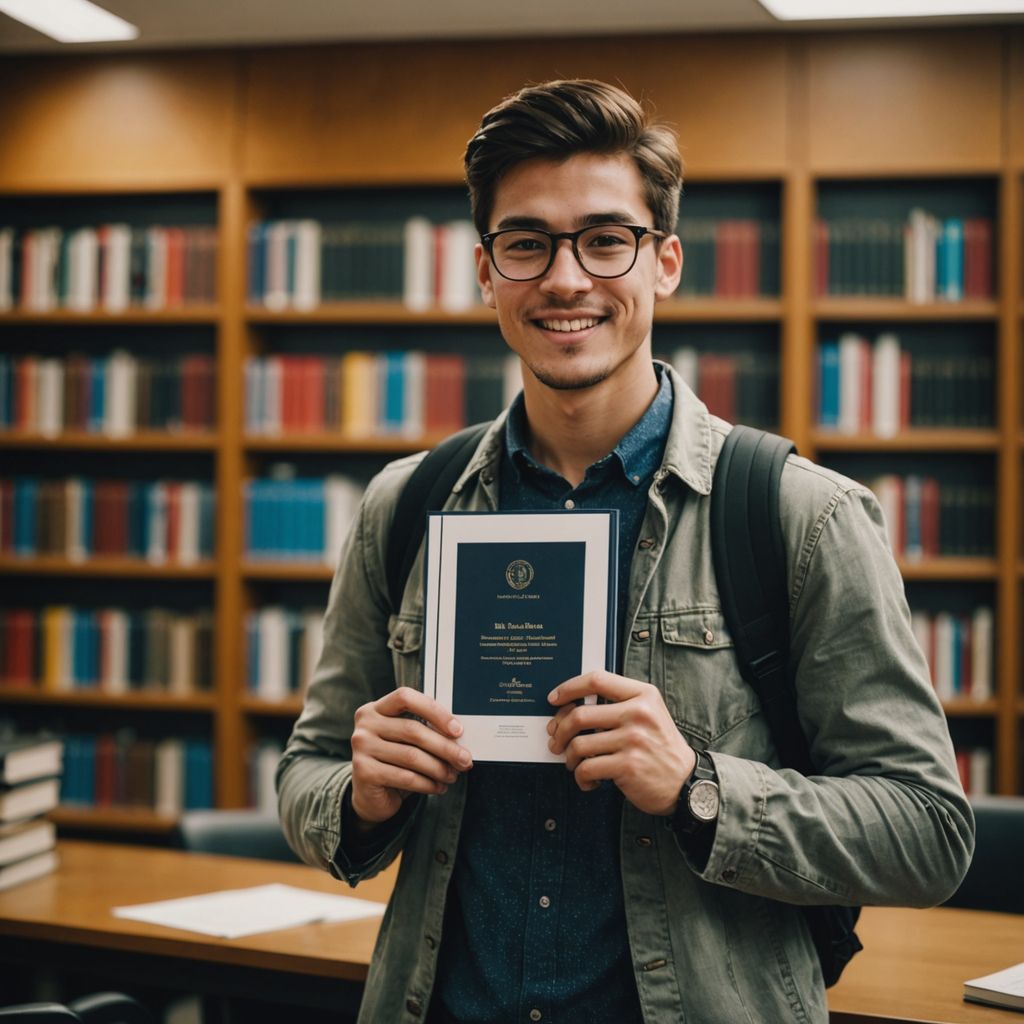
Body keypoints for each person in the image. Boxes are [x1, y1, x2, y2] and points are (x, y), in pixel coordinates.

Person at [277, 79, 974, 1024]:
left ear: (666, 263)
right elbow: (305, 770)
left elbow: (927, 832)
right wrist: (359, 794)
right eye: (526, 244)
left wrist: (699, 790)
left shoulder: (800, 516)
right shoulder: (408, 506)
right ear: (486, 272)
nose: (566, 280)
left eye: (607, 240)